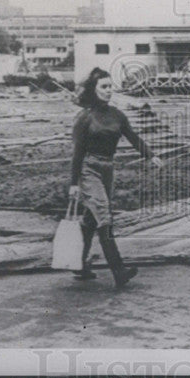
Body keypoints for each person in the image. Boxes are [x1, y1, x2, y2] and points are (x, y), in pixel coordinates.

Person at [69, 68, 162, 288]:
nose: (109, 91)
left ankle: (79, 264)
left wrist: (151, 155)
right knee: (104, 215)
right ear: (94, 90)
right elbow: (77, 153)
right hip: (88, 169)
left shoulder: (117, 115)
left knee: (92, 219)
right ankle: (119, 270)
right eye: (104, 87)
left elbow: (133, 137)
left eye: (111, 86)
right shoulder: (84, 118)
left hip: (108, 169)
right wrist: (74, 184)